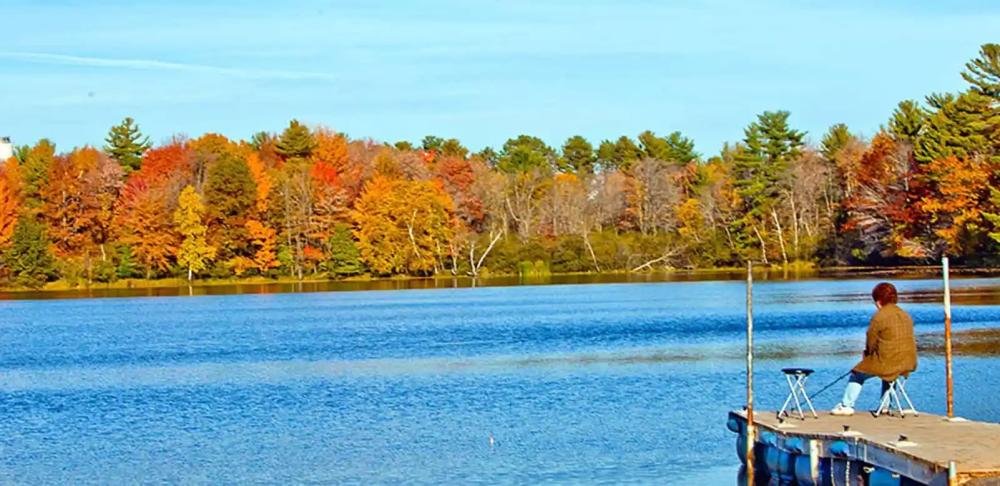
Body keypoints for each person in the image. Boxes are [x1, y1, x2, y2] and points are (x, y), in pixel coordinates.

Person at [831, 282, 917, 416]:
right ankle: (886, 405)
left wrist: (867, 356)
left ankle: (847, 405)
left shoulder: (879, 316)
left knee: (857, 372)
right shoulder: (905, 315)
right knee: (890, 374)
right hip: (908, 361)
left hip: (888, 362)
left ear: (878, 301)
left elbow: (871, 341)